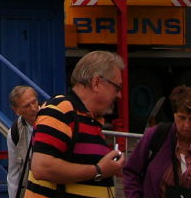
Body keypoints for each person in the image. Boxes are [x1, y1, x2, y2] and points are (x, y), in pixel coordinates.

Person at [25, 50, 125, 198]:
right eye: (117, 88)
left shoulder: (91, 120)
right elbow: (42, 167)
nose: (119, 95)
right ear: (96, 83)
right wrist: (99, 170)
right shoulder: (61, 110)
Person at [122, 85, 191, 198]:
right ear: (174, 114)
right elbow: (131, 171)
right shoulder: (155, 135)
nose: (187, 125)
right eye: (182, 118)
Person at [7, 85, 40, 198]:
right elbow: (14, 172)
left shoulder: (53, 119)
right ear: (16, 110)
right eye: (27, 106)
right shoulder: (14, 133)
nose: (34, 108)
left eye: (34, 102)